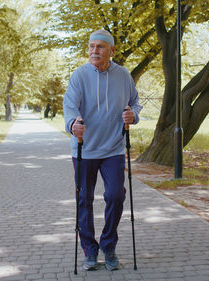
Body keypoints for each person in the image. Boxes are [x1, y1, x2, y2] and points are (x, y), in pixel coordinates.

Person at [63, 29, 142, 271]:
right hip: (84, 149)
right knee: (84, 200)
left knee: (116, 196)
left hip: (114, 148)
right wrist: (74, 124)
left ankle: (108, 245)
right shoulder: (79, 75)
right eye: (91, 46)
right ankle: (89, 249)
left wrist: (133, 115)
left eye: (100, 47)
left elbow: (135, 102)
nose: (94, 51)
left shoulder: (124, 75)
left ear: (112, 50)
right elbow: (70, 106)